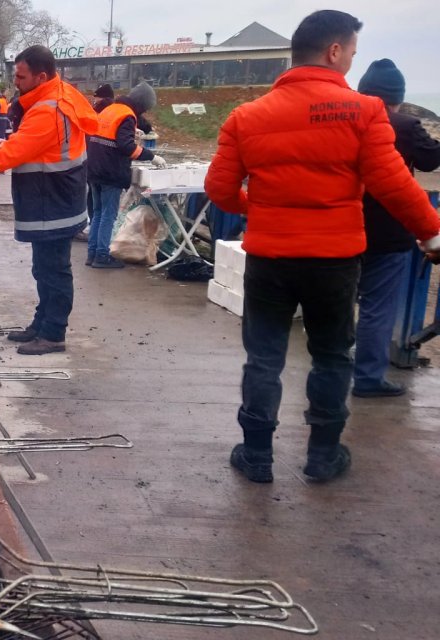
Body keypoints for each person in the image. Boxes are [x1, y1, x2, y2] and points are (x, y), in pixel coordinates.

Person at [204, 11, 440, 484]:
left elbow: (220, 188)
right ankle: (323, 455)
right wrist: (431, 233)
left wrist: (259, 206)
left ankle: (256, 455)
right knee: (332, 355)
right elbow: (393, 185)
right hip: (333, 262)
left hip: (270, 259)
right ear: (334, 51)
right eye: (351, 52)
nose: (351, 61)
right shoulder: (364, 111)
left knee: (264, 357)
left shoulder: (247, 116)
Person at [0, 46, 98, 356]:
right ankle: (41, 324)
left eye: (21, 77)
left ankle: (53, 334)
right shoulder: (55, 96)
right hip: (56, 197)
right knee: (44, 269)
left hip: (53, 200)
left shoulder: (48, 110)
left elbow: (8, 158)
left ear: (41, 76)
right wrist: (8, 142)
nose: (16, 82)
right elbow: (29, 146)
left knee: (54, 271)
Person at [352, 59, 440, 398]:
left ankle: (330, 368)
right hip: (390, 231)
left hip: (343, 226)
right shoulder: (405, 125)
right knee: (377, 307)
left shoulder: (347, 120)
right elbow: (432, 159)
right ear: (397, 97)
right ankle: (369, 378)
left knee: (340, 303)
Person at [85, 82, 163, 269]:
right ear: (142, 105)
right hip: (110, 171)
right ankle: (102, 255)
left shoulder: (111, 109)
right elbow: (126, 146)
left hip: (94, 168)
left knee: (97, 213)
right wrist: (152, 157)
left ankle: (93, 253)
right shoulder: (127, 116)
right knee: (107, 216)